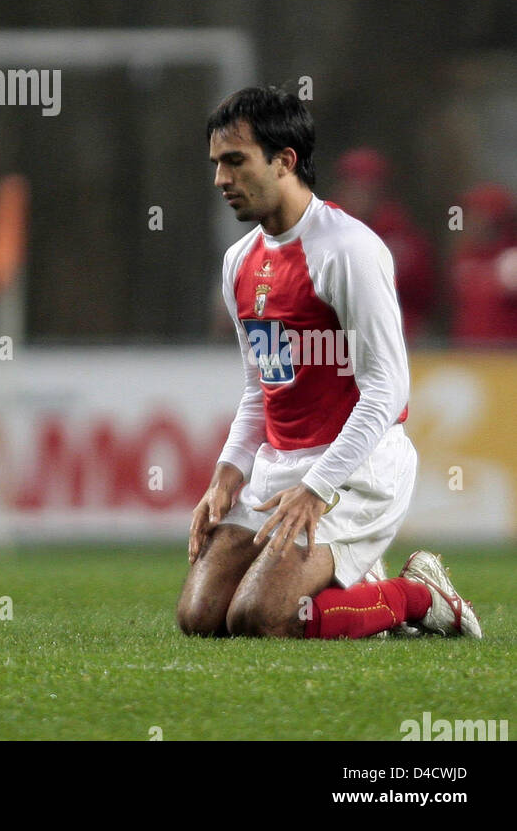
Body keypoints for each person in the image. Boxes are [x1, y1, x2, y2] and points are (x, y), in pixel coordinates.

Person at [177, 86, 480, 640]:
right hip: (278, 470)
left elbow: (387, 391)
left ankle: (421, 596)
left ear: (285, 160)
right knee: (200, 619)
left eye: (235, 161)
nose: (221, 179)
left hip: (356, 473)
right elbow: (259, 386)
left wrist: (318, 487)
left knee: (263, 618)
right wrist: (227, 472)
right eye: (217, 164)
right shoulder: (239, 262)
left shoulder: (348, 250)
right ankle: (349, 583)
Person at [331, 147, 435, 339]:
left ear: (380, 191)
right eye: (352, 185)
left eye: (366, 188)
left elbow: (425, 296)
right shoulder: (325, 229)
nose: (359, 194)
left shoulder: (402, 237)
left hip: (398, 341)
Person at [449, 183, 517, 345]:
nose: (469, 220)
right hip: (467, 352)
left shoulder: (511, 256)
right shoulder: (464, 257)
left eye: (478, 213)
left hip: (505, 357)